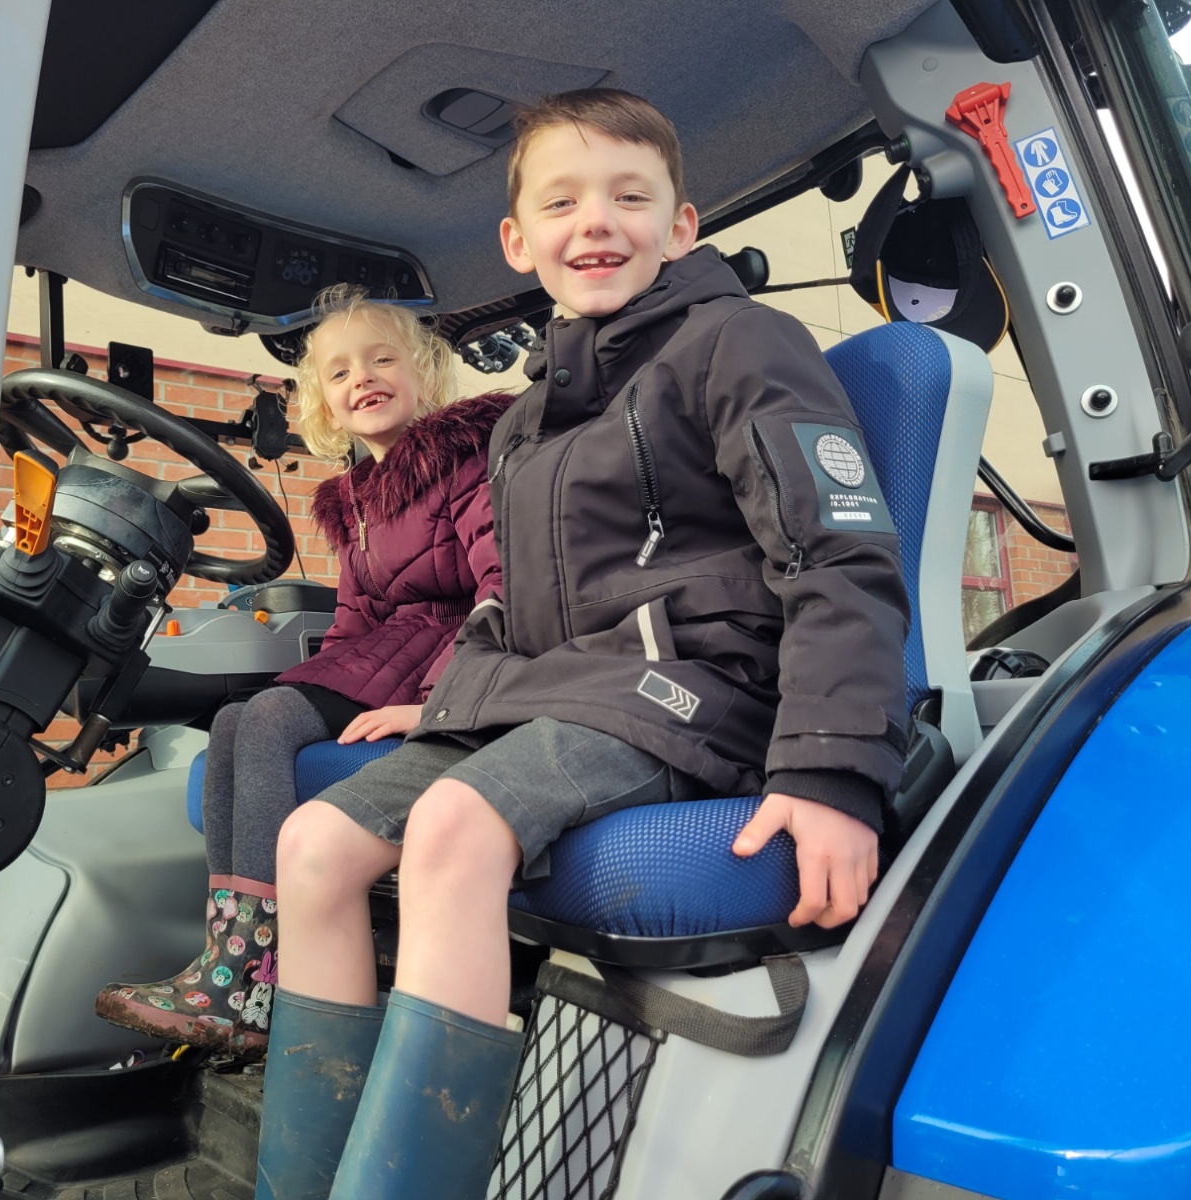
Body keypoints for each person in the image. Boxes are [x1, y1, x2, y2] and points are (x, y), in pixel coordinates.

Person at [253, 89, 910, 1199]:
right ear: (519, 242)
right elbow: (510, 610)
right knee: (313, 843)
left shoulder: (739, 343)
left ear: (681, 226)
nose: (595, 221)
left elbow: (837, 555)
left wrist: (834, 773)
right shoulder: (524, 422)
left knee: (451, 829)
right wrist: (450, 701)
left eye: (628, 197)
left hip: (694, 689)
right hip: (564, 697)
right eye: (560, 202)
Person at [94, 285, 509, 1054]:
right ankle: (230, 961)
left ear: (424, 373)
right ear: (324, 402)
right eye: (340, 372)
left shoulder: (466, 461)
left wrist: (441, 704)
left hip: (445, 658)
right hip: (382, 657)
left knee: (269, 719)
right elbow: (353, 620)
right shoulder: (352, 500)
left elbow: (501, 586)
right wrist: (317, 681)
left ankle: (249, 976)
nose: (363, 379)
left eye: (382, 360)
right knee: (235, 718)